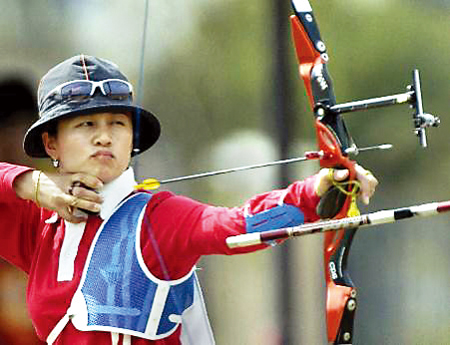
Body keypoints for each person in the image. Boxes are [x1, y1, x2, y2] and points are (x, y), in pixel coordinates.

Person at [0, 54, 378, 345]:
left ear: (132, 139)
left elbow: (236, 225)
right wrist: (35, 185)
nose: (104, 137)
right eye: (86, 125)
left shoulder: (157, 216)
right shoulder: (40, 226)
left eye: (117, 123)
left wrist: (316, 192)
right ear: (52, 143)